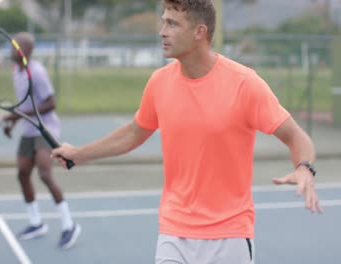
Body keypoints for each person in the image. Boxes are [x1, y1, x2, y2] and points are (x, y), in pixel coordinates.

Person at [52, 0, 322, 262]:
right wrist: (78, 153)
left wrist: (304, 168)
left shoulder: (244, 84)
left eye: (172, 24)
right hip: (174, 231)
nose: (162, 31)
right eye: (163, 22)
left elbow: (296, 137)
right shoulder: (159, 82)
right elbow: (134, 133)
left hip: (229, 236)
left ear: (199, 32)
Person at [3, 32, 81, 250]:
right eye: (12, 45)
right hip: (28, 129)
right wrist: (13, 123)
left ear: (27, 51)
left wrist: (17, 116)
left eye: (17, 46)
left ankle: (69, 225)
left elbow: (50, 103)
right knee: (22, 173)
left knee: (45, 173)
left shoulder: (35, 72)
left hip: (45, 129)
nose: (13, 49)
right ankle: (36, 222)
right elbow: (25, 103)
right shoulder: (16, 72)